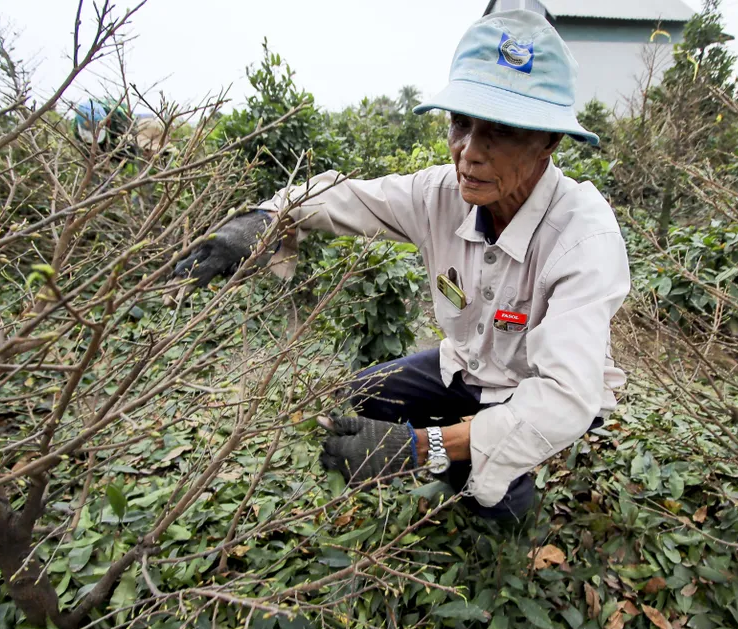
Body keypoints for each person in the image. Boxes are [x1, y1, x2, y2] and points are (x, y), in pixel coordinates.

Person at [175, 10, 630, 520]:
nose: (468, 154)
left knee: (487, 504)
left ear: (549, 140)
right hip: (467, 362)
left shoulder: (583, 236)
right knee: (365, 394)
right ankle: (460, 436)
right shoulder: (441, 194)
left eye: (499, 132)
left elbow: (567, 398)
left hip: (527, 390)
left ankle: (490, 475)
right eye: (461, 124)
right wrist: (265, 218)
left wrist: (418, 447)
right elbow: (343, 198)